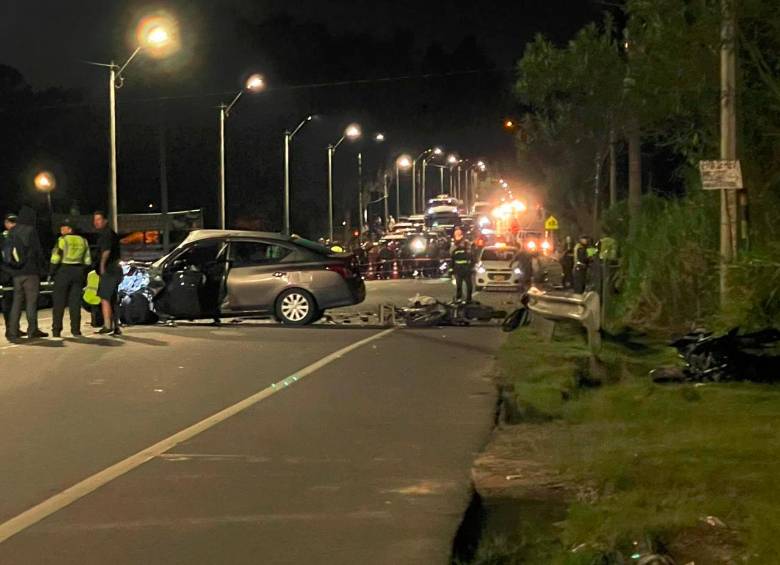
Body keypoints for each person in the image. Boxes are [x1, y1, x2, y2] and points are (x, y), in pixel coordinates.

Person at [6, 206, 47, 341]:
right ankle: (32, 330)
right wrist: (43, 268)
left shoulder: (12, 231)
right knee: (31, 302)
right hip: (30, 272)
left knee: (16, 303)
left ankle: (12, 331)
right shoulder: (31, 231)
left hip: (16, 273)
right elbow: (37, 251)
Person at [49, 219, 91, 337]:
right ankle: (76, 330)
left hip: (64, 271)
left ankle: (56, 330)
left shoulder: (62, 240)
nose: (61, 230)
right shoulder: (83, 241)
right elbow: (88, 261)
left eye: (64, 227)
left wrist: (51, 272)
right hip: (78, 272)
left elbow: (56, 257)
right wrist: (83, 271)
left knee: (59, 302)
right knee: (75, 303)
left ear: (70, 229)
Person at [93, 210, 123, 335]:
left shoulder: (106, 234)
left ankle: (107, 325)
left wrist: (102, 266)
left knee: (105, 298)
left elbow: (106, 251)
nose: (96, 222)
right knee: (112, 299)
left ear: (105, 220)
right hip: (115, 269)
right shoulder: (112, 234)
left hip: (109, 270)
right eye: (95, 220)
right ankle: (116, 326)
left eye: (98, 219)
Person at [1, 214, 19, 337]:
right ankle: (11, 329)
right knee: (10, 302)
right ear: (6, 224)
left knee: (15, 302)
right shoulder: (6, 237)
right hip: (9, 274)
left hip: (11, 273)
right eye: (11, 222)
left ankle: (14, 328)